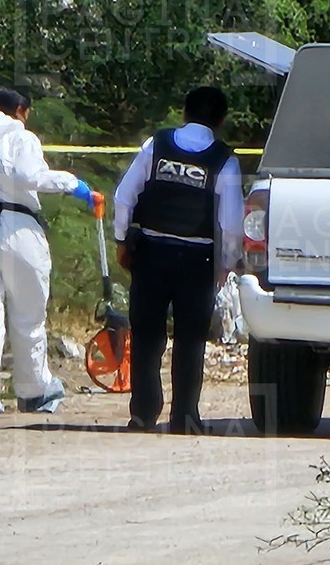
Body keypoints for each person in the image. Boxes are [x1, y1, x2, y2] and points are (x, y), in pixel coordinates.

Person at [0, 88, 97, 414]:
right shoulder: (21, 138)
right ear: (21, 111)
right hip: (19, 229)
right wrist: (74, 186)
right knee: (28, 315)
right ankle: (34, 390)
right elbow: (31, 176)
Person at [114, 86, 244, 434]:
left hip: (151, 252)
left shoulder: (156, 145)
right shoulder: (224, 161)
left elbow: (124, 196)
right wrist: (226, 266)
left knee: (146, 336)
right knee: (190, 341)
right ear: (220, 121)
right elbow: (231, 225)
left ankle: (142, 414)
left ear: (184, 113)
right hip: (197, 260)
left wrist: (121, 241)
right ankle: (185, 418)